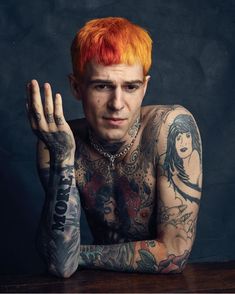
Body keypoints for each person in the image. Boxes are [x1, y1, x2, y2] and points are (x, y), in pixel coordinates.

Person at [26, 17, 202, 278]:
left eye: (131, 87)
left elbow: (174, 254)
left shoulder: (171, 129)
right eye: (103, 86)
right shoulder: (58, 143)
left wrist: (80, 255)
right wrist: (63, 157)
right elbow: (61, 264)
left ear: (145, 88)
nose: (117, 103)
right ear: (77, 87)